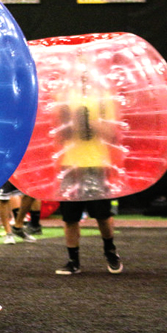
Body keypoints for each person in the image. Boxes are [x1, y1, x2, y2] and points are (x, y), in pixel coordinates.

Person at [54, 88, 123, 275]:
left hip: (96, 163)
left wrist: (92, 123)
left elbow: (111, 133)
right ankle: (73, 260)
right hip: (70, 164)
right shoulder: (63, 97)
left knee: (102, 214)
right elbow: (59, 133)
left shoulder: (102, 98)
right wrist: (73, 122)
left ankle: (110, 251)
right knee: (70, 217)